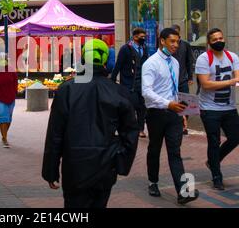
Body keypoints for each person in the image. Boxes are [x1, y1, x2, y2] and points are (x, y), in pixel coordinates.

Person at [42, 39, 139, 208]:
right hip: (105, 165)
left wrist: (51, 170)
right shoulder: (118, 92)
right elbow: (131, 132)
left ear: (83, 59)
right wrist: (121, 163)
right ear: (105, 61)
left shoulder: (67, 89)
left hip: (74, 166)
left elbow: (55, 134)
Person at [142, 28, 199, 204]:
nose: (175, 45)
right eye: (172, 41)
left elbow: (174, 90)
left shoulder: (174, 62)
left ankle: (183, 192)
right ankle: (153, 182)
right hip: (156, 114)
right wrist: (168, 104)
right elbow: (146, 91)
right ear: (162, 41)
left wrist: (182, 112)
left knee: (175, 152)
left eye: (177, 41)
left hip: (174, 114)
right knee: (154, 149)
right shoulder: (151, 63)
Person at [195, 28, 239, 190]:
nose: (219, 41)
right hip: (209, 108)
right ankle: (216, 176)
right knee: (214, 141)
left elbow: (238, 77)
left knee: (235, 137)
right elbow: (206, 84)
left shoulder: (232, 57)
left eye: (221, 38)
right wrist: (231, 81)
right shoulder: (204, 59)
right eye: (215, 39)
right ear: (209, 43)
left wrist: (234, 80)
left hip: (229, 107)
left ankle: (213, 161)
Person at [111, 28, 149, 138]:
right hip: (129, 83)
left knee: (142, 107)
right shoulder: (125, 49)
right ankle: (129, 128)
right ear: (135, 37)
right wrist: (113, 79)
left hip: (142, 83)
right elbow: (118, 65)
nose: (143, 39)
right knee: (131, 106)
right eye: (141, 37)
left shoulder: (144, 48)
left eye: (144, 37)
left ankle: (141, 129)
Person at [171, 24, 194, 135]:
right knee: (174, 102)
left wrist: (190, 76)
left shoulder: (185, 45)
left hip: (183, 79)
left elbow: (189, 61)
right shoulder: (167, 46)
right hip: (171, 79)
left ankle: (184, 126)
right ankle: (177, 123)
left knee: (186, 101)